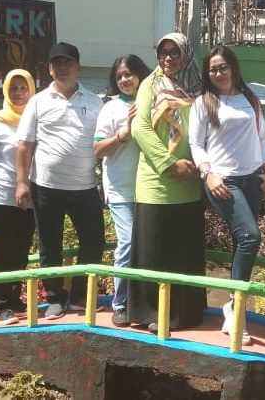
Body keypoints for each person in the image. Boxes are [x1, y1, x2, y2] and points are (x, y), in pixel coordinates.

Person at [15, 42, 106, 319]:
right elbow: (24, 146)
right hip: (46, 187)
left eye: (68, 62)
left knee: (94, 242)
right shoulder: (38, 101)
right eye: (57, 63)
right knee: (49, 245)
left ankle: (79, 296)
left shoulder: (95, 101)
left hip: (85, 187)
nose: (62, 67)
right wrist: (22, 183)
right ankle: (55, 297)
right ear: (50, 69)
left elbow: (105, 142)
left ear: (77, 66)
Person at [189, 46, 265, 345]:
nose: (218, 73)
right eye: (212, 69)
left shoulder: (250, 99)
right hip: (223, 181)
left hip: (252, 179)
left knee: (242, 241)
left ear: (233, 68)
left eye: (223, 67)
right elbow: (196, 144)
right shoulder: (204, 102)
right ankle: (237, 312)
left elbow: (262, 137)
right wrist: (208, 173)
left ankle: (232, 307)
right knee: (251, 237)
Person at [128, 33, 206, 332]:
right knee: (152, 252)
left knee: (182, 253)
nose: (168, 58)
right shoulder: (150, 85)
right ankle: (149, 313)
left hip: (190, 182)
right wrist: (170, 163)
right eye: (163, 53)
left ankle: (183, 315)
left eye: (174, 52)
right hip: (156, 181)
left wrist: (200, 165)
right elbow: (140, 127)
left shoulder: (198, 86)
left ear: (186, 54)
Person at [93, 54, 152, 327]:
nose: (124, 79)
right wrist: (124, 133)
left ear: (141, 74)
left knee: (148, 248)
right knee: (127, 243)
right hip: (120, 189)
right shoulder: (111, 108)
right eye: (119, 76)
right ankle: (121, 303)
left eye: (129, 73)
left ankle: (146, 306)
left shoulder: (152, 102)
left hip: (150, 189)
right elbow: (98, 150)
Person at [0, 69, 36, 325]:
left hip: (33, 198)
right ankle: (1, 304)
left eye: (24, 88)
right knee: (4, 251)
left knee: (22, 250)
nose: (19, 93)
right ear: (6, 91)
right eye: (14, 88)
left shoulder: (37, 117)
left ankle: (14, 297)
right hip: (2, 198)